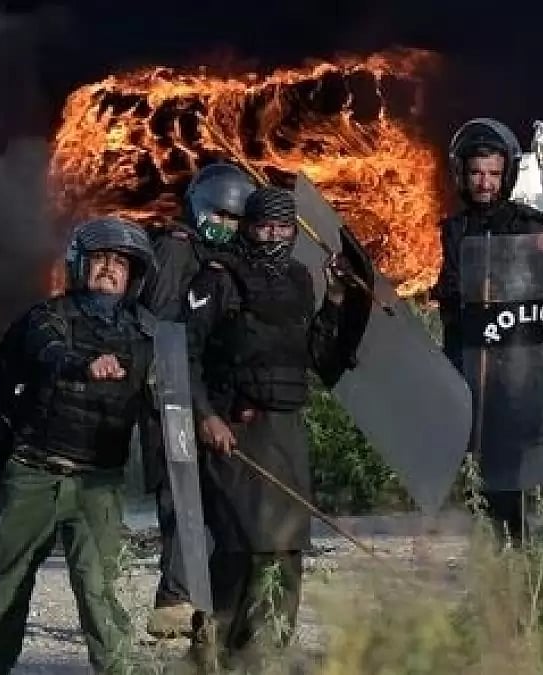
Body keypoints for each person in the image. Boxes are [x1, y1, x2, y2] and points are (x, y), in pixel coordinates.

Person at [0, 217, 159, 675]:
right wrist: (83, 365)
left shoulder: (148, 337)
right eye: (100, 260)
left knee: (98, 586)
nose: (109, 270)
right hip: (35, 471)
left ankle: (117, 670)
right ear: (80, 265)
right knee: (7, 579)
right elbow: (45, 351)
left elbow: (175, 392)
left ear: (133, 275)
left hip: (98, 482)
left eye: (120, 263)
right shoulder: (46, 318)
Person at [184, 184, 347, 669]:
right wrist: (206, 415)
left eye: (282, 227)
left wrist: (335, 299)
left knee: (286, 548)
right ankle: (210, 657)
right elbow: (184, 355)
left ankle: (266, 657)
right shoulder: (217, 279)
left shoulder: (300, 279)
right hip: (234, 428)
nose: (272, 236)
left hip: (285, 429)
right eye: (262, 226)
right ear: (247, 227)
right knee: (242, 547)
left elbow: (318, 356)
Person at [431, 118, 543, 546]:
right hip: (474, 371)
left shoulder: (528, 226)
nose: (485, 183)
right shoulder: (454, 231)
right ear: (462, 174)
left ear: (507, 174)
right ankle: (496, 568)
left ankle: (531, 570)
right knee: (484, 488)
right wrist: (459, 296)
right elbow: (451, 290)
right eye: (476, 173)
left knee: (524, 489)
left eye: (493, 173)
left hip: (519, 373)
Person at [138, 162, 258, 639]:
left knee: (203, 500)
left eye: (234, 219)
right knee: (181, 498)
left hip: (199, 391)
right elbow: (164, 329)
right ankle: (173, 601)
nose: (226, 226)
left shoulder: (219, 258)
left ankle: (194, 601)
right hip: (172, 393)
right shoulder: (176, 249)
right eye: (219, 215)